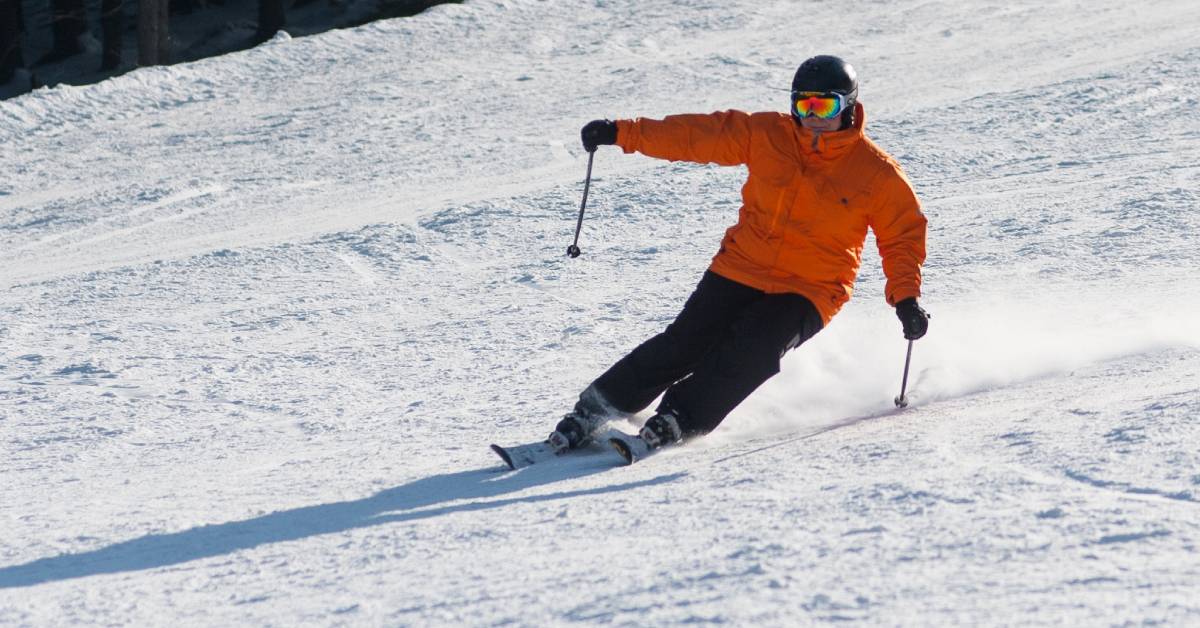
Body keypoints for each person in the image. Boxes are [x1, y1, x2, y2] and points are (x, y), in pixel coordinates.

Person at [549, 55, 930, 453]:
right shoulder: (767, 134)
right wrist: (622, 133)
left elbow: (902, 235)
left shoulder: (876, 172)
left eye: (825, 105)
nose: (814, 117)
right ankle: (595, 408)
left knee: (753, 350)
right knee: (685, 342)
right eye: (805, 105)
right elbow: (697, 135)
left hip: (811, 287)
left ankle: (682, 417)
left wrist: (906, 299)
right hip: (741, 265)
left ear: (848, 106)